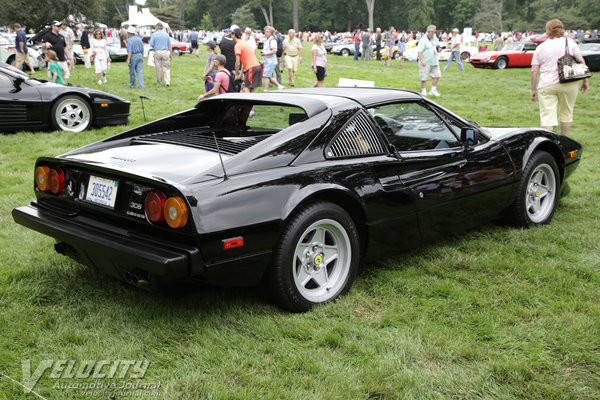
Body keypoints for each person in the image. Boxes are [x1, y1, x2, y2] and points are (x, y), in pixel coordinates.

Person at [530, 19, 589, 135]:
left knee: (547, 115)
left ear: (547, 30)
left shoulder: (541, 47)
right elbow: (581, 61)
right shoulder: (569, 42)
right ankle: (564, 140)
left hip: (546, 84)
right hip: (568, 82)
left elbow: (534, 70)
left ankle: (549, 143)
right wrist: (585, 80)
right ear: (561, 29)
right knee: (566, 112)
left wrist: (533, 89)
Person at [232, 27, 262, 92]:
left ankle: (248, 102)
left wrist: (236, 75)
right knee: (252, 88)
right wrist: (240, 75)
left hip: (251, 68)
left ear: (234, 35)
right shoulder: (244, 43)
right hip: (256, 66)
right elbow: (244, 62)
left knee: (246, 88)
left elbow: (237, 63)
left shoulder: (238, 45)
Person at [417, 25, 441, 97]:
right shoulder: (423, 40)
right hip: (425, 61)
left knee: (437, 75)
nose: (430, 33)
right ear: (427, 32)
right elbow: (419, 51)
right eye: (429, 31)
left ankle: (433, 90)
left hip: (434, 61)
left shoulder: (435, 39)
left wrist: (439, 49)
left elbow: (437, 47)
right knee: (424, 77)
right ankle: (424, 91)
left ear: (434, 32)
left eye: (432, 32)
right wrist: (422, 60)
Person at [260, 26, 284, 91]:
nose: (265, 33)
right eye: (265, 31)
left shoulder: (272, 40)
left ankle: (266, 89)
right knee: (268, 76)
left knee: (266, 76)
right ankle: (279, 86)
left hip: (271, 61)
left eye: (267, 32)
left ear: (271, 33)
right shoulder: (267, 40)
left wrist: (265, 54)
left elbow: (274, 51)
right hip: (267, 61)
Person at [149, 22, 172, 86]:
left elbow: (151, 44)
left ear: (157, 27)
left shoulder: (154, 34)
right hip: (165, 51)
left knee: (158, 67)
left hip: (157, 51)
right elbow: (170, 45)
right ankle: (167, 81)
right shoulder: (166, 35)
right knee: (166, 67)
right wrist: (171, 54)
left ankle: (160, 82)